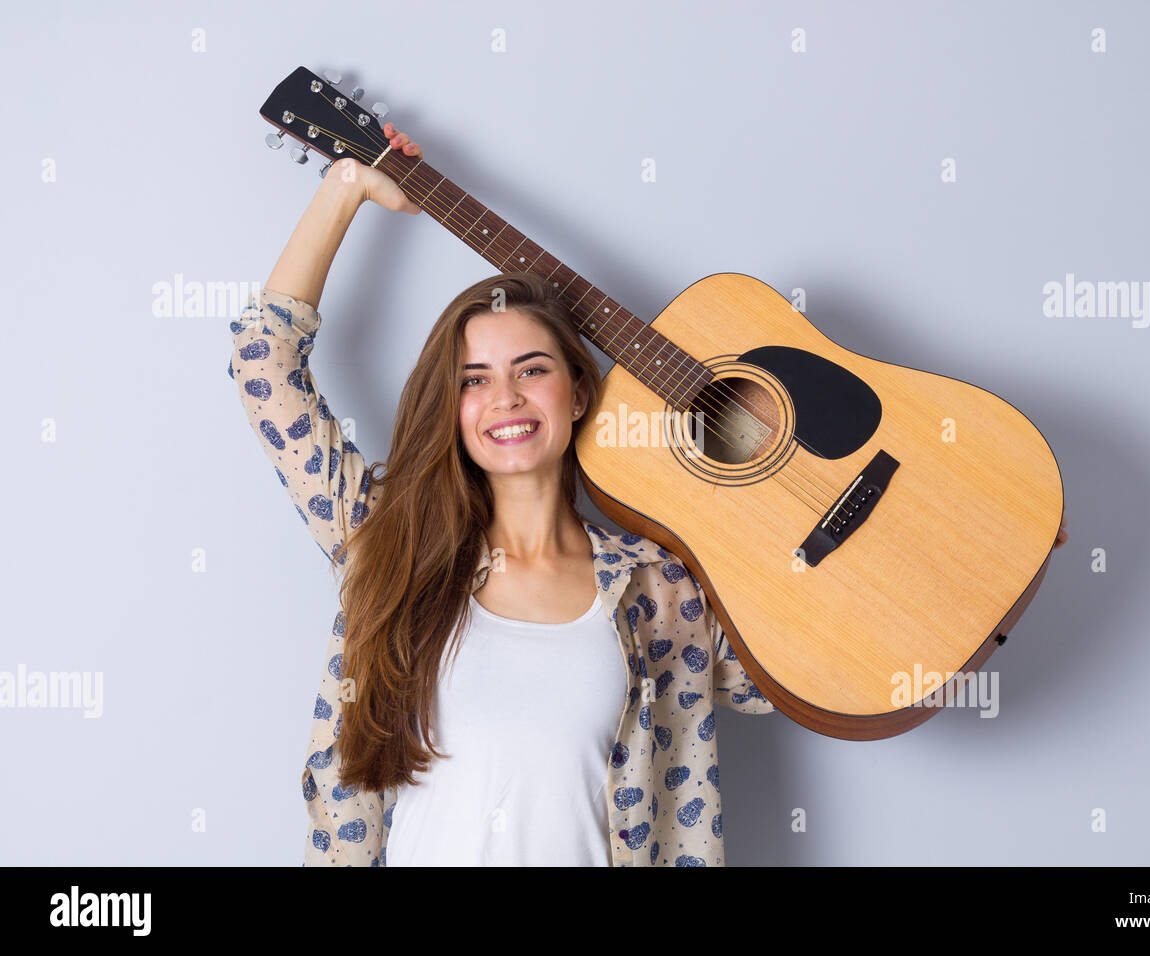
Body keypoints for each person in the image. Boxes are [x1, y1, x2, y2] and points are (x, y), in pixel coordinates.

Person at [228, 124, 775, 867]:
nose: (505, 399)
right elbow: (266, 364)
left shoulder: (663, 585)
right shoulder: (386, 540)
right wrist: (348, 186)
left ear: (579, 392)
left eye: (531, 369)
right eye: (473, 379)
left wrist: (764, 456)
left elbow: (801, 673)